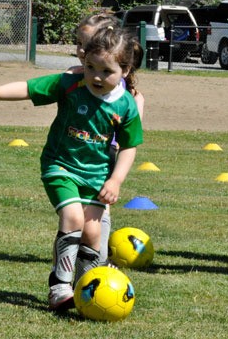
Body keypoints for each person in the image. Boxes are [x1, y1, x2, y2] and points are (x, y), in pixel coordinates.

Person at [0, 26, 143, 311]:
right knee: (73, 217)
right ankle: (60, 285)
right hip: (59, 165)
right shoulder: (70, 83)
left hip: (97, 175)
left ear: (124, 71)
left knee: (92, 234)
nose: (96, 76)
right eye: (90, 67)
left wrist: (115, 180)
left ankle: (87, 288)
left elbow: (128, 147)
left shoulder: (125, 106)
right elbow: (29, 88)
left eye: (106, 71)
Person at [68, 13, 145, 266]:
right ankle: (75, 261)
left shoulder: (123, 91)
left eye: (87, 43)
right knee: (76, 212)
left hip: (104, 155)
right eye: (79, 43)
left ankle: (95, 262)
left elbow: (130, 135)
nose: (81, 49)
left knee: (98, 209)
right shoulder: (78, 76)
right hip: (77, 153)